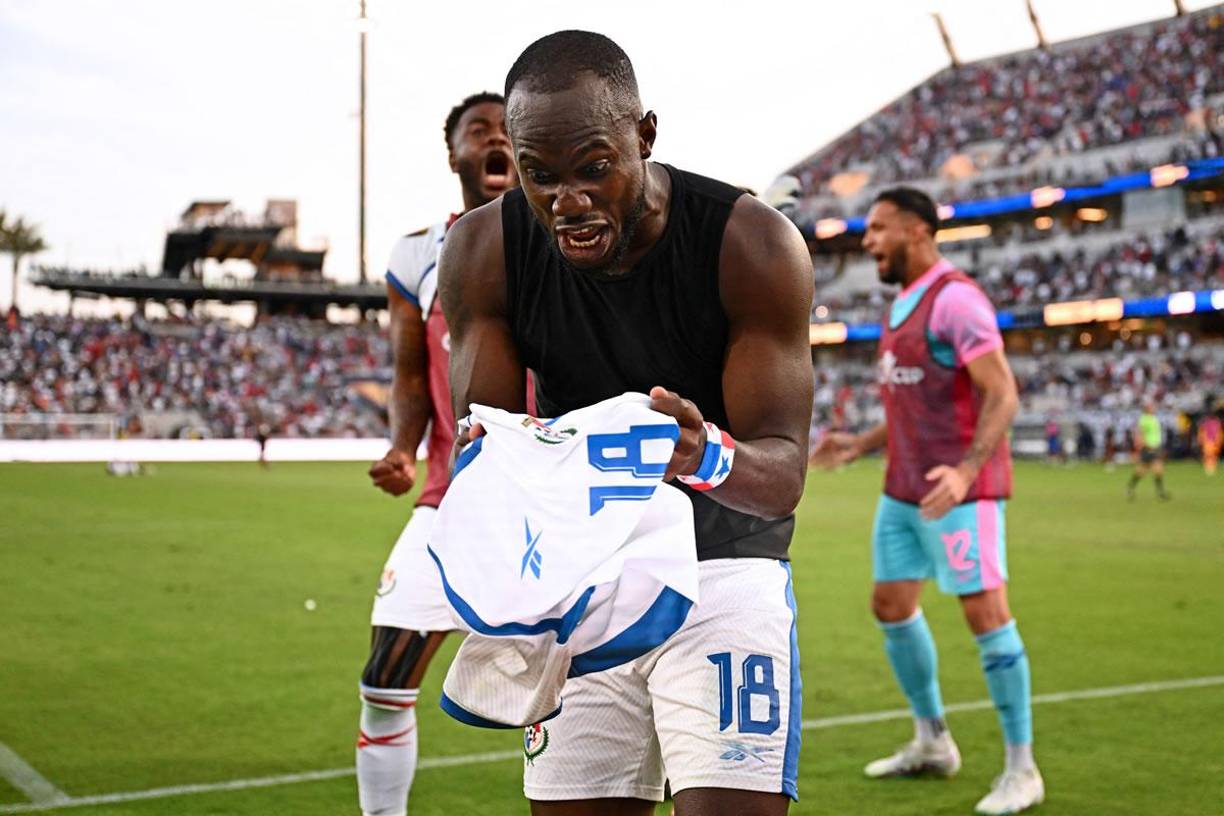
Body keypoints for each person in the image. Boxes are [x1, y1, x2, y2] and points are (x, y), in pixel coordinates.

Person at [437, 30, 814, 816]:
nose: (566, 203)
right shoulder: (483, 250)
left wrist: (702, 451)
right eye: (540, 177)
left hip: (725, 568)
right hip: (584, 578)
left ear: (644, 136)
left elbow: (781, 479)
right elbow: (488, 451)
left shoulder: (751, 243)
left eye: (595, 170)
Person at [812, 187, 1041, 815]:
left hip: (957, 491)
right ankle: (933, 740)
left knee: (986, 616)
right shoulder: (899, 308)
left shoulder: (957, 300)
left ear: (918, 231)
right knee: (890, 605)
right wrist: (860, 443)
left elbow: (1003, 393)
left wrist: (968, 472)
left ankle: (1023, 769)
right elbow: (912, 404)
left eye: (880, 228)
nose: (868, 241)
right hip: (903, 491)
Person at [356, 91, 518, 816]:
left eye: (512, 129)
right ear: (453, 153)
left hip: (552, 503)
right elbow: (409, 374)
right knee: (384, 680)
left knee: (593, 691)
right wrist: (400, 446)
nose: (497, 138)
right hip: (451, 498)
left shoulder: (570, 231)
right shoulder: (418, 253)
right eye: (479, 130)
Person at [1126, 401, 1171, 501]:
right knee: (1149, 469)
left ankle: (1130, 488)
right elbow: (1138, 433)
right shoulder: (1144, 419)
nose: (1154, 408)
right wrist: (1142, 444)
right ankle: (1159, 492)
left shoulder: (1153, 418)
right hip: (1149, 447)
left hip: (1155, 447)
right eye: (1152, 407)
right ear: (1147, 408)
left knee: (1149, 469)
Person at [1196, 411, 1220, 476]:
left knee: (1210, 455)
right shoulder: (1215, 423)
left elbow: (1202, 432)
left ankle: (1210, 467)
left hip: (1209, 441)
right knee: (1210, 455)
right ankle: (1210, 467)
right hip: (1210, 441)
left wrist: (1200, 439)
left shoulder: (1209, 423)